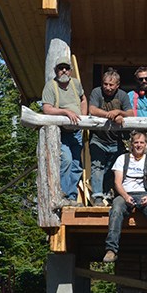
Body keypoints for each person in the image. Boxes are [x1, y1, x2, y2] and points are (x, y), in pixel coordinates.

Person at [103, 131, 147, 263]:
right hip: (124, 194)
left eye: (142, 143)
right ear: (131, 145)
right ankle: (111, 250)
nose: (139, 145)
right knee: (116, 209)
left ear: (146, 145)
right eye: (136, 142)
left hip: (144, 194)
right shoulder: (122, 159)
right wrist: (125, 196)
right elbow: (117, 182)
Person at [41, 57, 87, 207]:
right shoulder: (51, 86)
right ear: (56, 71)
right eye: (61, 68)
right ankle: (63, 194)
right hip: (61, 132)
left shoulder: (76, 83)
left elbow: (83, 99)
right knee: (66, 159)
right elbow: (47, 109)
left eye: (66, 68)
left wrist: (84, 117)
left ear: (71, 70)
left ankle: (72, 196)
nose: (64, 71)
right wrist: (65, 112)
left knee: (76, 164)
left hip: (76, 131)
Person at [88, 68, 134, 206]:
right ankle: (97, 196)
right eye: (105, 84)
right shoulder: (97, 92)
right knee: (97, 166)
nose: (107, 87)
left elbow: (131, 113)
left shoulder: (122, 95)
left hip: (116, 140)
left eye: (111, 85)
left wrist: (119, 112)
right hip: (98, 138)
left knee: (111, 168)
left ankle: (107, 194)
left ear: (117, 85)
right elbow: (92, 109)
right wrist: (109, 115)